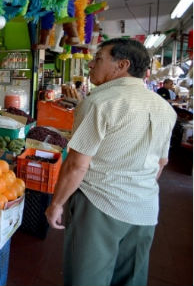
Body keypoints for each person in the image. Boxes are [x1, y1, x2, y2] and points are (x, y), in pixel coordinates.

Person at [45, 38, 177, 286]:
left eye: (98, 59)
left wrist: (57, 204)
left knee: (87, 278)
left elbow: (77, 164)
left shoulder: (100, 102)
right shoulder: (164, 109)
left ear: (122, 65)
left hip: (99, 204)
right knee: (131, 279)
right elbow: (160, 164)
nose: (91, 65)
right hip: (145, 208)